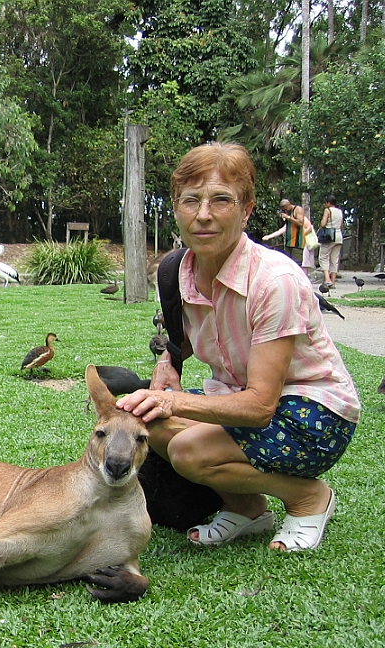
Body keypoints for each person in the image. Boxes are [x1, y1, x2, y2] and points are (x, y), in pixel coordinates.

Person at [118, 143, 361, 551]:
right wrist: (167, 362)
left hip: (314, 414)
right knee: (147, 426)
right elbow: (188, 339)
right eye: (190, 200)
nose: (204, 214)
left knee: (188, 451)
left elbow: (260, 406)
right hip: (237, 399)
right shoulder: (179, 271)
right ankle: (248, 508)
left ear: (247, 209)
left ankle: (308, 497)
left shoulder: (274, 281)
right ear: (176, 207)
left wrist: (174, 403)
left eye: (221, 200)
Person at [262, 213, 318, 282]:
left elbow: (309, 227)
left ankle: (304, 280)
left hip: (304, 243)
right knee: (298, 262)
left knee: (304, 263)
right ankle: (299, 280)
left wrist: (299, 234)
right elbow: (281, 230)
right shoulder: (290, 223)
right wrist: (269, 236)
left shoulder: (302, 219)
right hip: (296, 245)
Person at [318, 195, 345, 287]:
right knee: (335, 259)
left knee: (324, 257)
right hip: (338, 235)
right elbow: (341, 225)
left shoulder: (327, 210)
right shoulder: (340, 211)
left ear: (328, 203)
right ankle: (333, 282)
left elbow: (323, 224)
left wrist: (322, 222)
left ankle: (327, 279)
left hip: (329, 236)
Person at [277, 197, 306, 264]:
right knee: (288, 263)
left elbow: (300, 223)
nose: (286, 210)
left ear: (289, 204)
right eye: (284, 209)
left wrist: (288, 217)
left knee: (296, 263)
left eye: (286, 208)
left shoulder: (298, 209)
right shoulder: (287, 212)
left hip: (297, 243)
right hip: (288, 242)